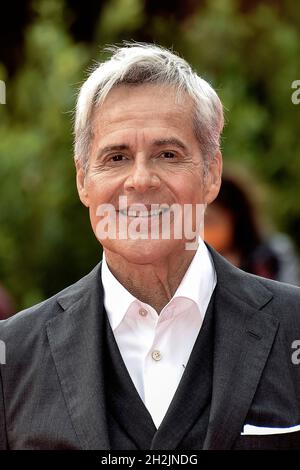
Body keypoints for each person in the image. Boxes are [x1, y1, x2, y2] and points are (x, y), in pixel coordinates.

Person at [1, 43, 300, 451]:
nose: (141, 180)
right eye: (117, 157)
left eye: (168, 153)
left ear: (211, 174)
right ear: (82, 180)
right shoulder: (13, 357)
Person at [204, 173, 300, 284]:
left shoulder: (272, 255)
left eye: (209, 221)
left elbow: (287, 295)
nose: (200, 229)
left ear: (235, 218)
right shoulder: (192, 259)